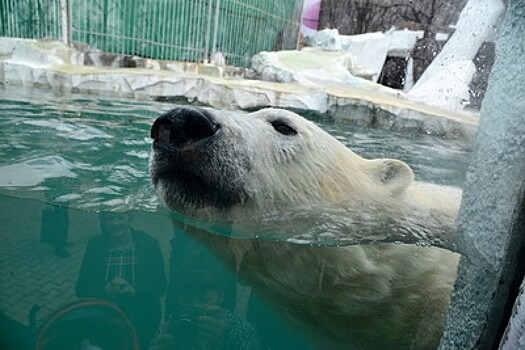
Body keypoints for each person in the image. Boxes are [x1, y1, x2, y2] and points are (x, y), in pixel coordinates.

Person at [76, 211, 166, 349]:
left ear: (130, 218)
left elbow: (159, 286)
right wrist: (105, 290)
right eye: (110, 218)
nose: (115, 223)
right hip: (104, 318)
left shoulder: (149, 245)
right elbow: (82, 288)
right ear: (102, 220)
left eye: (120, 217)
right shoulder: (95, 245)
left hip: (141, 317)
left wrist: (134, 290)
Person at [151, 268, 261, 350]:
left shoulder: (239, 329)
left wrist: (221, 344)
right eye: (187, 301)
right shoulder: (172, 327)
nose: (196, 306)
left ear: (221, 296)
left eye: (204, 300)